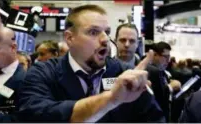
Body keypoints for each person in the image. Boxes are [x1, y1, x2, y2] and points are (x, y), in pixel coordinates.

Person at [17, 4, 165, 123]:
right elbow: (36, 115)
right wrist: (111, 99)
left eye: (107, 32)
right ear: (70, 38)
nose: (105, 39)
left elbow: (155, 119)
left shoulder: (125, 73)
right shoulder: (43, 73)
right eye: (93, 32)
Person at [146, 42, 181, 121]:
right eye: (165, 56)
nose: (168, 60)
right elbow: (158, 97)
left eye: (169, 57)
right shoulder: (152, 71)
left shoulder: (161, 71)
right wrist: (170, 87)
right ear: (154, 55)